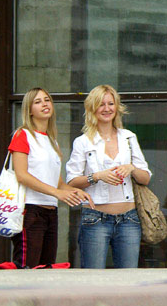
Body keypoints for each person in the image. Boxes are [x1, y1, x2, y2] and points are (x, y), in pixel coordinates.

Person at [65, 85, 153, 269]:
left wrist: (131, 168)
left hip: (129, 219)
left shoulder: (128, 138)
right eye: (101, 104)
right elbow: (72, 181)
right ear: (92, 108)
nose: (107, 108)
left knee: (128, 278)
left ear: (117, 107)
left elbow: (145, 178)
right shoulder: (83, 142)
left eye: (111, 104)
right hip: (95, 218)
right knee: (94, 278)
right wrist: (97, 176)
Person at [8, 87, 93, 268]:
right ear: (30, 110)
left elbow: (58, 182)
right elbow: (22, 175)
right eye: (37, 102)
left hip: (50, 212)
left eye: (47, 100)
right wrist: (56, 192)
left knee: (47, 268)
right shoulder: (23, 135)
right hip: (30, 210)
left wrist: (75, 191)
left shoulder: (52, 140)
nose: (44, 104)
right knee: (27, 268)